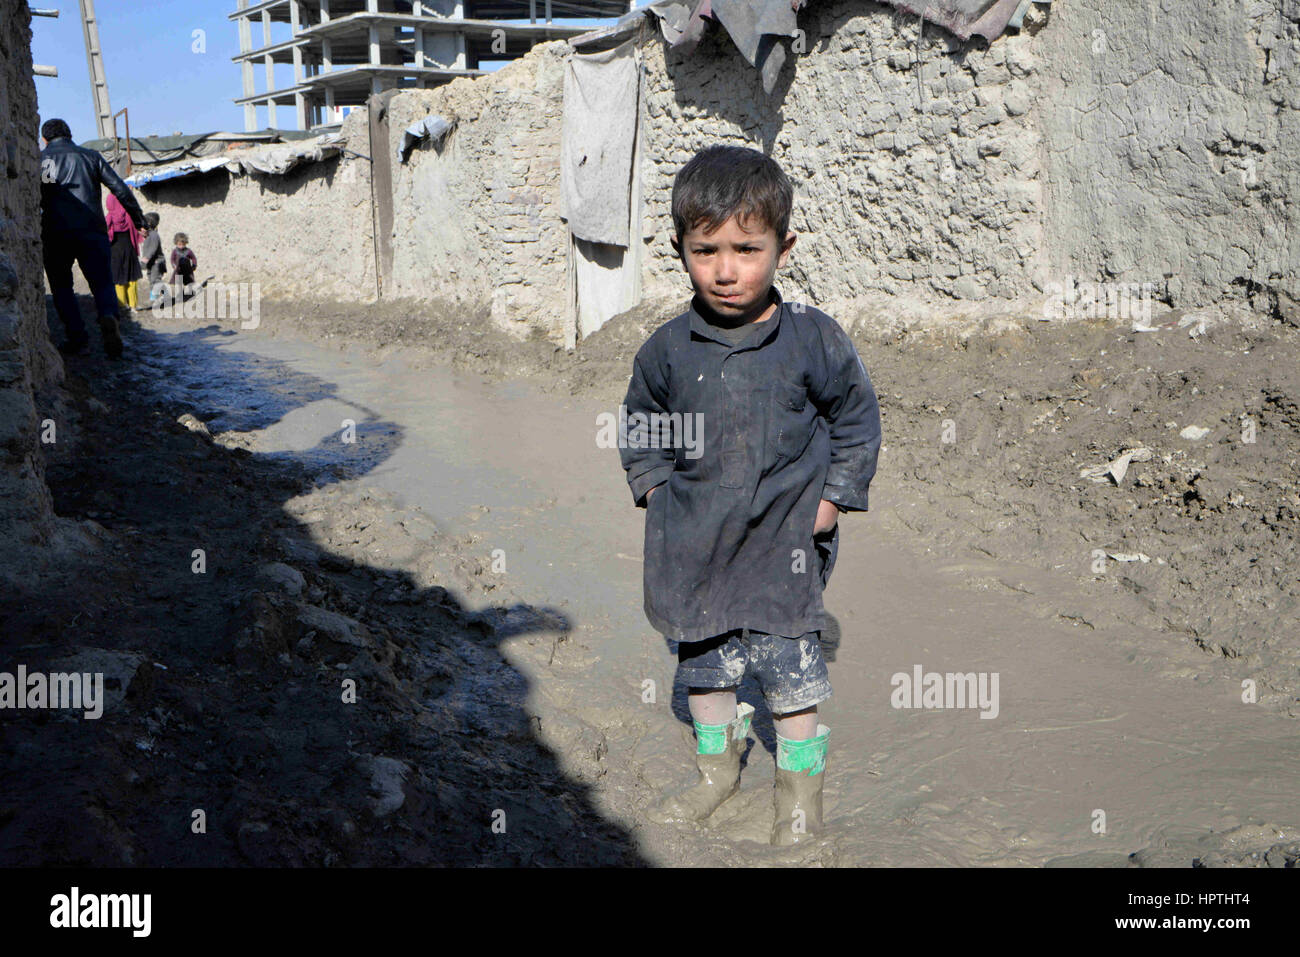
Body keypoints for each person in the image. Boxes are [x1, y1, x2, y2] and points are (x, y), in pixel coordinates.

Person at [618, 145, 881, 846]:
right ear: (680, 249)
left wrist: (832, 501)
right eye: (706, 250)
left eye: (746, 248)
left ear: (782, 247)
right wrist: (653, 489)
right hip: (696, 544)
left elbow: (857, 418)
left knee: (794, 680)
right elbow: (642, 424)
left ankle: (799, 799)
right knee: (703, 668)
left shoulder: (812, 341)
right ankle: (717, 770)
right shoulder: (668, 351)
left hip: (783, 546)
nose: (726, 269)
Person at [39, 117, 145, 358]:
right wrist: (139, 220)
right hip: (92, 231)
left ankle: (77, 337)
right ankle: (108, 316)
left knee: (62, 286)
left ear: (45, 139)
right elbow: (119, 189)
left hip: (57, 233)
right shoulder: (91, 156)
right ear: (70, 134)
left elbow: (44, 193)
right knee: (102, 282)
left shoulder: (46, 161)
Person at [105, 193, 143, 313]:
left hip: (115, 252)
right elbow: (138, 231)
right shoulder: (129, 217)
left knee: (118, 279)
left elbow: (104, 235)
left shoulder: (108, 218)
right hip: (129, 250)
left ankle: (121, 305)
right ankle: (133, 306)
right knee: (132, 279)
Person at [139, 212, 166, 304]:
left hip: (157, 262)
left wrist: (145, 259)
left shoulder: (154, 235)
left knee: (155, 280)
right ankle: (155, 298)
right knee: (151, 280)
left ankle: (161, 297)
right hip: (151, 263)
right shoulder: (149, 235)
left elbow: (153, 249)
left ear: (149, 223)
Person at [167, 232, 197, 300]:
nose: (181, 246)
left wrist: (194, 265)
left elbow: (193, 258)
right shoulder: (175, 251)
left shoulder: (188, 251)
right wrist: (173, 265)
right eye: (179, 244)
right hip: (178, 270)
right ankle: (180, 295)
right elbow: (172, 259)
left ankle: (189, 294)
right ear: (176, 243)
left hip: (187, 270)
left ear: (185, 243)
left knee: (189, 282)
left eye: (183, 245)